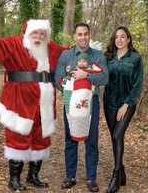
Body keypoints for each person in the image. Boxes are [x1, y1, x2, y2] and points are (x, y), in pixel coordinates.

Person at [0, 17, 65, 191]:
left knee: (41, 138)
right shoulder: (15, 44)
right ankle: (14, 180)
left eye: (42, 33)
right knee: (17, 139)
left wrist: (88, 51)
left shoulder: (52, 49)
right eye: (35, 32)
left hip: (44, 103)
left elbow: (70, 55)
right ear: (27, 33)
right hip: (19, 102)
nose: (39, 36)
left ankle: (33, 176)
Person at [55, 22, 108, 192]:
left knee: (91, 140)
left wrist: (86, 75)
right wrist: (70, 84)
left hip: (91, 103)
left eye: (86, 34)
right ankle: (70, 176)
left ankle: (91, 178)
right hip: (71, 104)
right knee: (71, 140)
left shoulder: (98, 56)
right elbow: (58, 79)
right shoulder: (66, 56)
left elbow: (104, 78)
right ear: (75, 36)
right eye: (80, 34)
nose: (83, 37)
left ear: (89, 35)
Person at [103, 26, 143, 193]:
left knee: (118, 134)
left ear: (128, 39)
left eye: (122, 36)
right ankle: (123, 171)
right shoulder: (108, 57)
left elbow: (138, 83)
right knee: (115, 137)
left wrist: (126, 104)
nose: (119, 39)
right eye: (116, 37)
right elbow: (100, 74)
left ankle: (116, 174)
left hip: (127, 103)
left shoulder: (135, 58)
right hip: (109, 102)